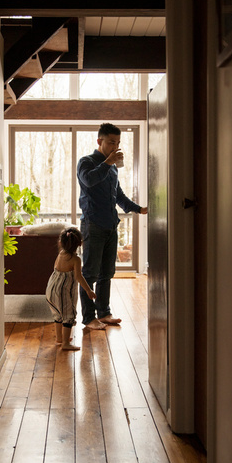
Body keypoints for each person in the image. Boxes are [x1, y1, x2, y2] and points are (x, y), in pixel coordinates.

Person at [77, 122, 148, 330]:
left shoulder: (113, 168)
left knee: (107, 272)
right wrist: (108, 162)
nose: (115, 146)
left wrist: (139, 209)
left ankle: (104, 313)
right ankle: (89, 318)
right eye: (111, 142)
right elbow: (89, 181)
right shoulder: (86, 162)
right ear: (99, 141)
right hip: (93, 224)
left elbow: (118, 195)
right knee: (89, 273)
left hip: (111, 224)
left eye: (117, 143)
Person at [46, 227, 96, 351]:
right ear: (80, 243)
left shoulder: (60, 254)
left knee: (58, 315)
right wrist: (89, 290)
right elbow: (79, 277)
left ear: (61, 242)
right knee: (68, 316)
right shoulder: (76, 259)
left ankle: (59, 338)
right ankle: (65, 344)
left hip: (50, 289)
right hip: (63, 292)